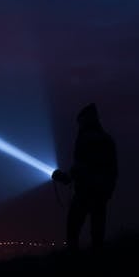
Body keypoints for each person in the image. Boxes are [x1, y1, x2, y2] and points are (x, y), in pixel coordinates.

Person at [52, 103, 118, 250]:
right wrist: (109, 190)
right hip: (102, 191)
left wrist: (63, 178)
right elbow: (113, 169)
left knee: (73, 226)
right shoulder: (107, 139)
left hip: (85, 191)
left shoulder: (85, 139)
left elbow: (81, 166)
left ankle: (75, 263)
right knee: (98, 229)